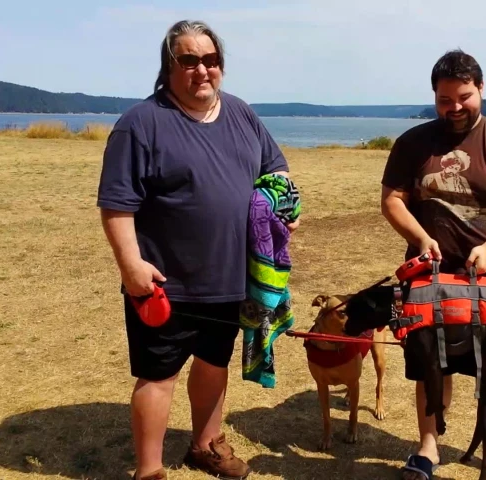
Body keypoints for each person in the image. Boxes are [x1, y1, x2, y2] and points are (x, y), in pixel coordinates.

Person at [96, 19, 297, 480]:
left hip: (229, 279)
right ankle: (149, 469)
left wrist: (284, 204)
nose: (202, 70)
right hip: (165, 281)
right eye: (189, 60)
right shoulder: (141, 124)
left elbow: (277, 171)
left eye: (211, 60)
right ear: (169, 67)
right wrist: (131, 266)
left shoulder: (242, 113)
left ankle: (205, 444)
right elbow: (116, 204)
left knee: (214, 364)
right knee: (157, 376)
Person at [380, 49, 486, 480]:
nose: (454, 108)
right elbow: (392, 200)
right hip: (428, 277)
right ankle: (428, 449)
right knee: (430, 364)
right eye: (444, 100)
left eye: (464, 97)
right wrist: (419, 237)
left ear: (482, 89)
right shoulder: (413, 143)